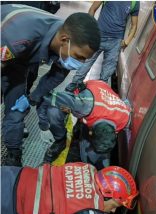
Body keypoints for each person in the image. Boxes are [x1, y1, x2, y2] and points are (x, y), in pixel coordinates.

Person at [1, 4, 100, 166]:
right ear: (64, 40)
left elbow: (55, 76)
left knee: (16, 109)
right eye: (79, 57)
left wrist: (32, 98)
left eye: (84, 59)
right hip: (5, 41)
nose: (80, 64)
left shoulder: (66, 43)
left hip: (20, 60)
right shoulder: (18, 36)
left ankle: (13, 154)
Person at [1, 163, 138, 214]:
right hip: (11, 213)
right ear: (107, 194)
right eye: (115, 205)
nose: (113, 211)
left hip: (10, 175)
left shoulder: (86, 167)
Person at [39, 80, 131, 169]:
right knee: (54, 112)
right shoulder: (84, 105)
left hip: (103, 93)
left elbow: (126, 103)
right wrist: (38, 98)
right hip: (93, 89)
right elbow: (56, 98)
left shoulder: (125, 118)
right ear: (91, 131)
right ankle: (60, 140)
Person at [72, 1, 139, 85]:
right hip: (98, 36)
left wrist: (127, 41)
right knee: (85, 65)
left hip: (115, 42)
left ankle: (99, 92)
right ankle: (72, 87)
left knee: (106, 74)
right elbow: (92, 9)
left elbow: (134, 25)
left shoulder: (135, 2)